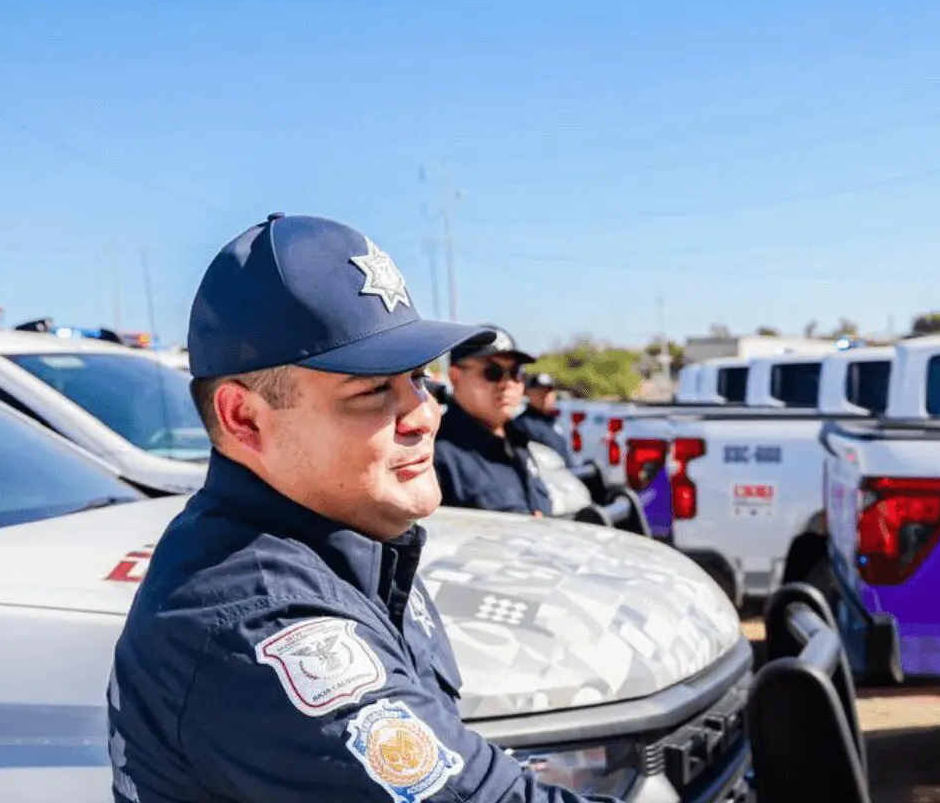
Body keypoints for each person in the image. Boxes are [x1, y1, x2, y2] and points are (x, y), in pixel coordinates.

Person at [106, 213, 618, 803]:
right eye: (374, 391)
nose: (426, 414)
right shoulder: (263, 622)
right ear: (244, 418)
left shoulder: (349, 535)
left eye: (420, 379)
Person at [433, 325, 555, 516]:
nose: (507, 384)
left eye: (516, 373)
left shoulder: (518, 441)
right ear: (455, 377)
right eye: (493, 372)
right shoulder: (435, 454)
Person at [513, 371, 579, 468]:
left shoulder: (552, 421)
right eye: (539, 391)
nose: (545, 396)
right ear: (528, 393)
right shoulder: (521, 425)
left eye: (549, 391)